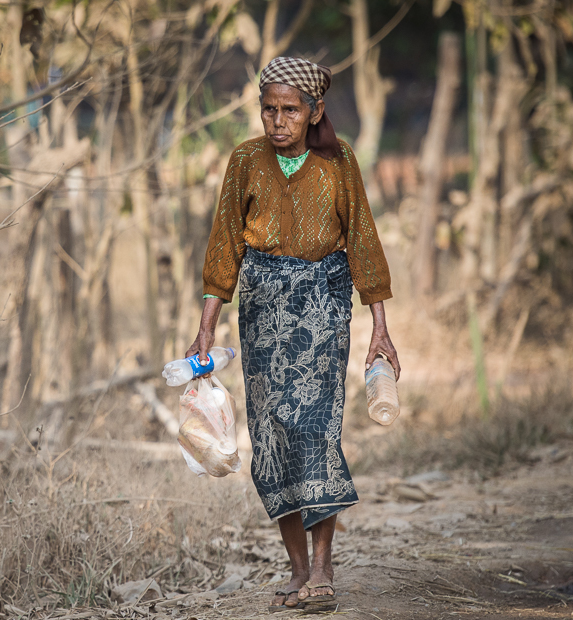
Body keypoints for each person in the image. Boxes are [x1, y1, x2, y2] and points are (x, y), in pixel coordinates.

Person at [186, 57, 402, 611]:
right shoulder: (246, 161)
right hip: (261, 310)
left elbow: (364, 241)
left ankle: (325, 566)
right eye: (269, 109)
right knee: (272, 433)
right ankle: (298, 568)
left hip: (323, 307)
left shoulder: (338, 161)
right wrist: (204, 330)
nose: (277, 120)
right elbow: (223, 248)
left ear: (314, 111)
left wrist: (380, 328)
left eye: (289, 110)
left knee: (315, 428)